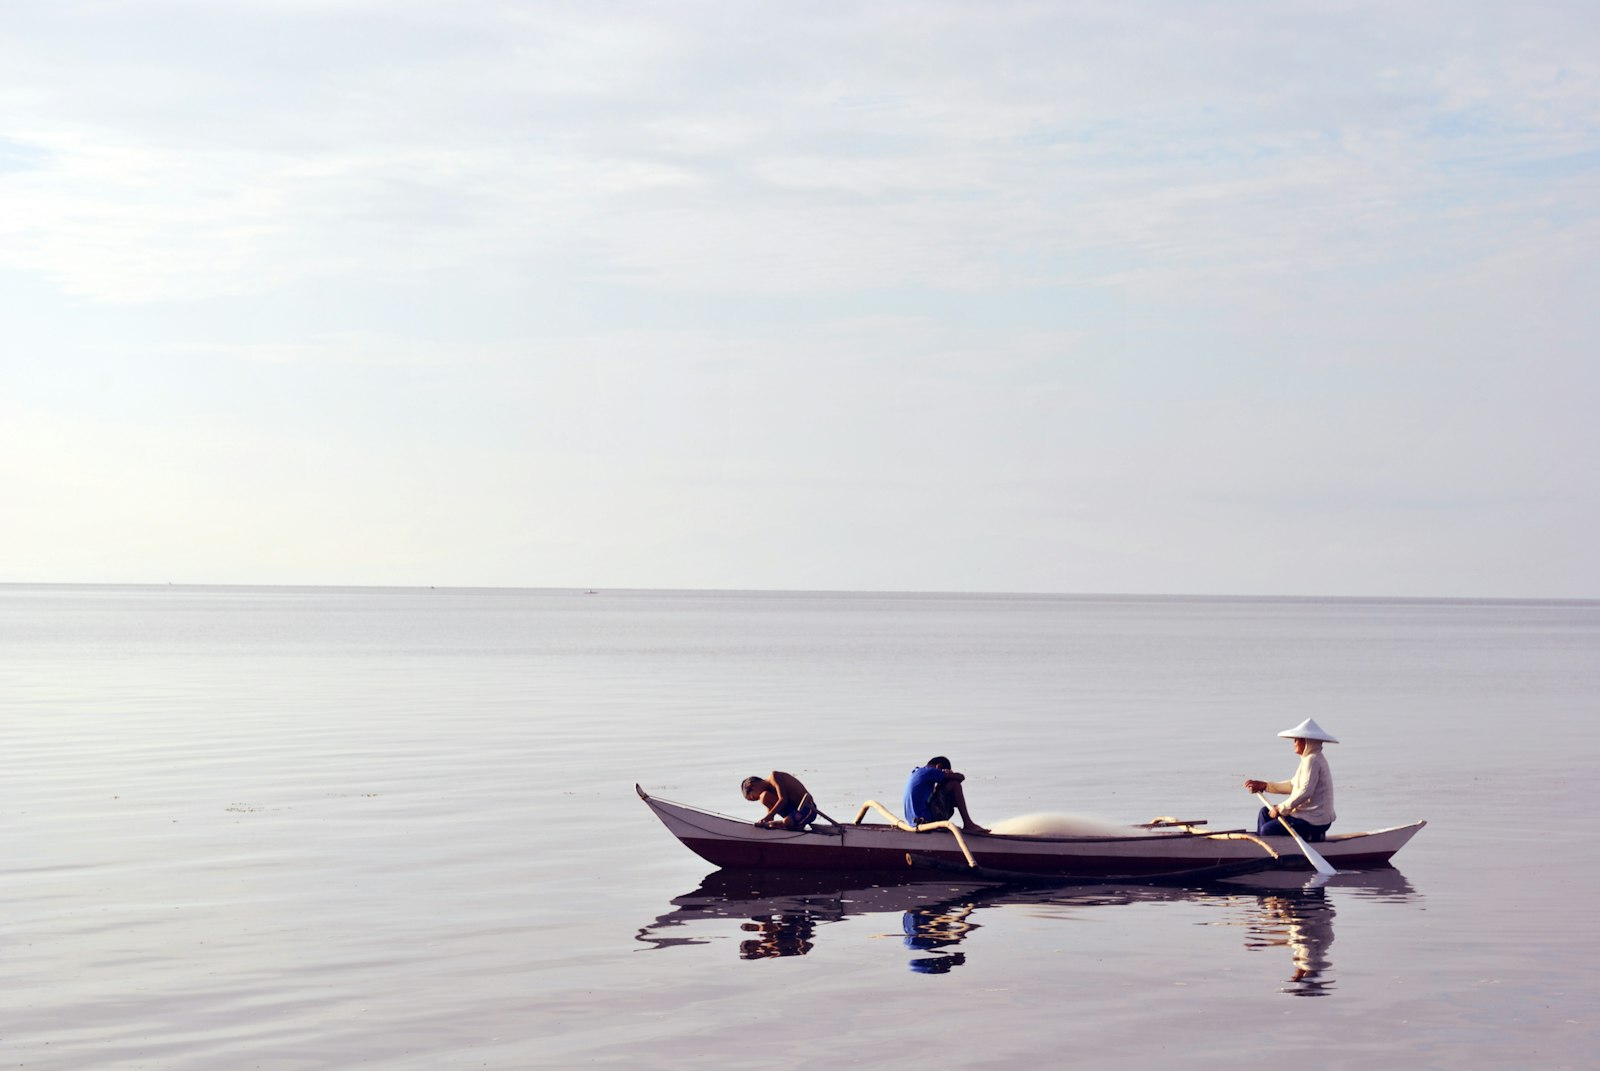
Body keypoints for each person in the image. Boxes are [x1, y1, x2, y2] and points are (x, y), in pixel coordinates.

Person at [1243, 717, 1338, 842]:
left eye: (1297, 740)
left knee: (1268, 829)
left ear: (1307, 742)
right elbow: (1293, 786)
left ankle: (1274, 846)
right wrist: (1265, 786)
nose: (1294, 743)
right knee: (1265, 812)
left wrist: (1281, 808)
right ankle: (1266, 843)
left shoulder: (1313, 760)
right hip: (1305, 815)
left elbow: (1305, 792)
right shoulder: (1309, 759)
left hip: (1314, 820)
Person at [903, 756, 987, 833]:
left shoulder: (917, 771)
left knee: (945, 786)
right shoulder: (931, 771)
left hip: (914, 822)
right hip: (925, 822)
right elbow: (960, 777)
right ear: (938, 766)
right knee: (954, 784)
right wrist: (949, 774)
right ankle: (968, 824)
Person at [740, 771, 817, 830]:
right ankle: (787, 824)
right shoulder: (766, 794)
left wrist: (769, 816)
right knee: (764, 797)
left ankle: (788, 823)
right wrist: (767, 822)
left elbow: (783, 799)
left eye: (754, 797)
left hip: (807, 808)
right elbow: (770, 811)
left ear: (751, 785)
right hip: (791, 811)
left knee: (787, 821)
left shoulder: (775, 776)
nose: (758, 799)